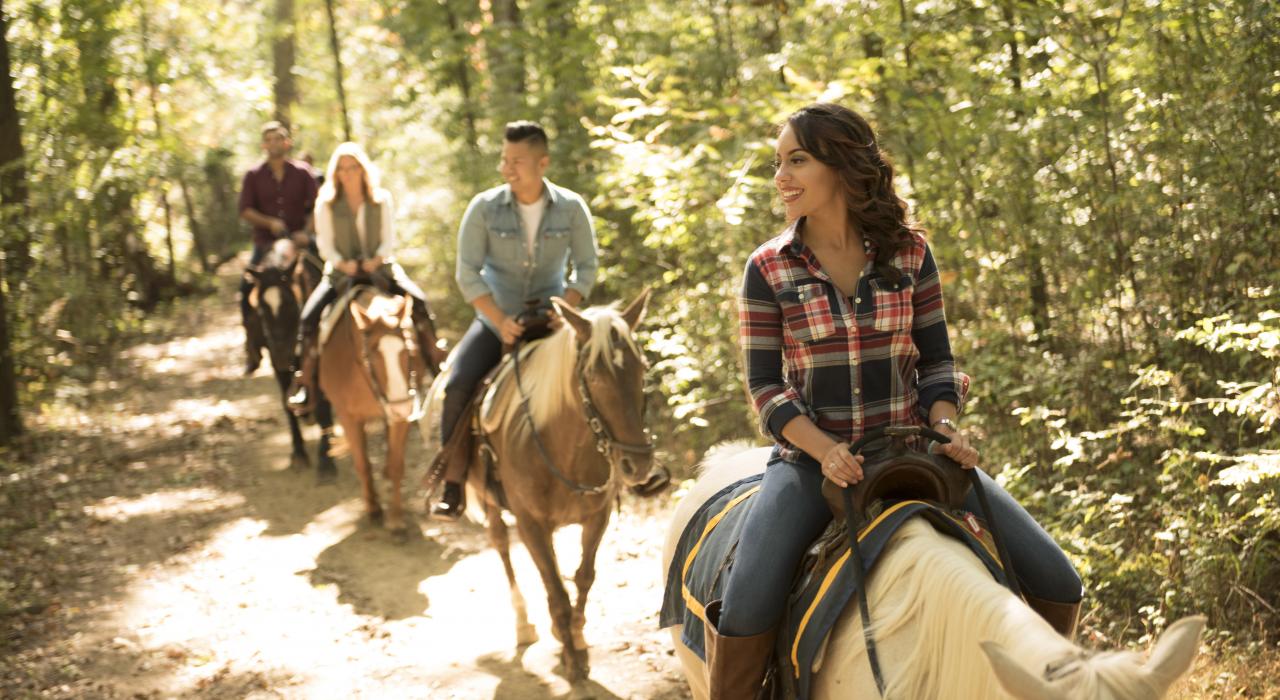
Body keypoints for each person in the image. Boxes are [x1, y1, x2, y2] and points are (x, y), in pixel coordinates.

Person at [705, 103, 1084, 698]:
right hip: (811, 467)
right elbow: (766, 388)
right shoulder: (768, 268)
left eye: (796, 161)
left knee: (1059, 581)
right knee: (747, 604)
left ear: (841, 165)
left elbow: (938, 363)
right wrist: (826, 450)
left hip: (914, 453)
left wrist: (946, 427)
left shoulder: (911, 254)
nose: (780, 177)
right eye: (778, 163)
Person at [428, 121, 601, 520]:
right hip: (496, 323)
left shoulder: (572, 207)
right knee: (457, 386)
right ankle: (453, 483)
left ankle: (623, 471)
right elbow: (467, 273)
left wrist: (566, 309)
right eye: (504, 160)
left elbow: (587, 266)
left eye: (516, 161)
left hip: (554, 325)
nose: (506, 168)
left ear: (543, 163)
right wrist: (499, 319)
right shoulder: (483, 208)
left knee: (604, 375)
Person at [286, 142, 447, 414]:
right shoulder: (325, 204)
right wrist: (343, 263)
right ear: (336, 173)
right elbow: (325, 245)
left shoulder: (381, 199)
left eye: (353, 167)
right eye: (343, 169)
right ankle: (306, 381)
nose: (348, 173)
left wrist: (377, 259)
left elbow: (388, 238)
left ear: (363, 169)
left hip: (380, 269)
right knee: (309, 317)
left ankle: (436, 363)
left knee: (419, 301)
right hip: (340, 273)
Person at [238, 121, 319, 375]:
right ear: (264, 145)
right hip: (266, 244)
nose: (274, 143)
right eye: (269, 140)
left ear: (287, 143)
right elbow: (245, 210)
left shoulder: (303, 172)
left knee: (330, 277)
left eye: (278, 139)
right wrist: (269, 223)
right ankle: (253, 349)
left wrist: (306, 232)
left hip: (301, 242)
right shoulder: (253, 175)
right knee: (245, 290)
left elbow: (318, 206)